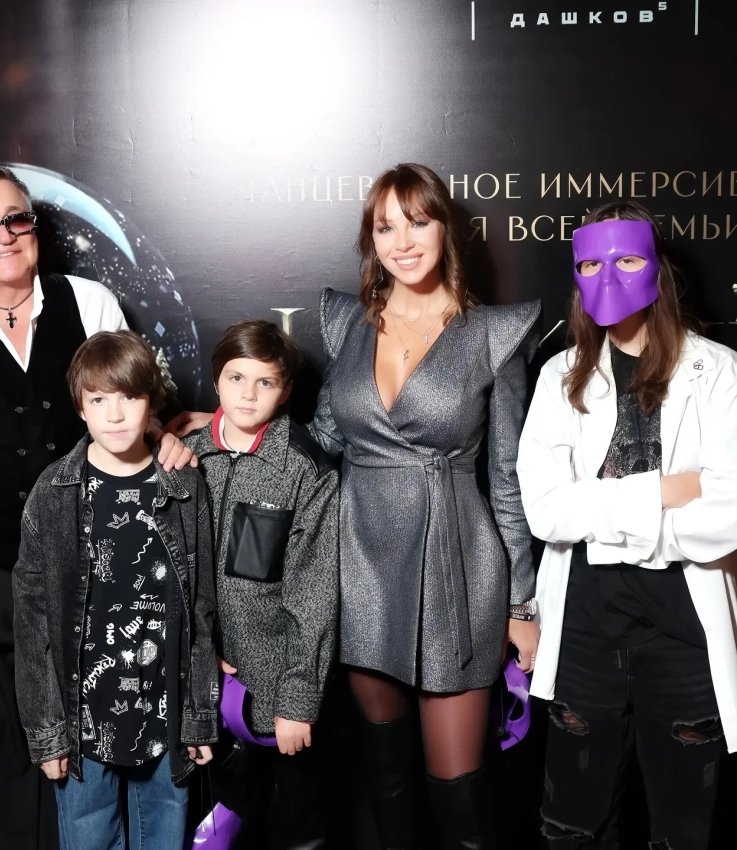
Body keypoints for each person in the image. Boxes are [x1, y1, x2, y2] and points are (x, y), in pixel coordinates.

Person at [174, 163, 541, 849]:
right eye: (385, 227)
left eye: (418, 222)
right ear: (370, 239)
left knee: (459, 790)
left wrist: (521, 604)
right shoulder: (349, 323)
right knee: (385, 781)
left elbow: (508, 478)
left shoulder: (495, 334)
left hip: (458, 569)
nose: (403, 241)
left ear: (446, 229)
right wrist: (217, 431)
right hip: (361, 565)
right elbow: (319, 443)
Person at [0, 165, 193, 850]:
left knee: (85, 743)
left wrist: (165, 437)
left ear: (34, 226)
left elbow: (132, 405)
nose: (2, 235)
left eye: (15, 218)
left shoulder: (90, 302)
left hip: (86, 565)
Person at [518, 201, 737, 850]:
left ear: (657, 267)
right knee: (572, 828)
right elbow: (547, 510)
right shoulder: (559, 377)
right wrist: (669, 490)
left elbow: (729, 512)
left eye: (627, 260)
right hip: (586, 629)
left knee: (683, 832)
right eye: (589, 264)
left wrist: (603, 509)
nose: (607, 277)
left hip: (684, 631)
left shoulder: (719, 372)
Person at [13, 330, 218, 850]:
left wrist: (197, 717)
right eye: (99, 400)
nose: (115, 414)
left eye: (129, 396)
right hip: (83, 719)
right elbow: (33, 622)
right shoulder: (54, 493)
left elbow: (200, 609)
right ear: (80, 407)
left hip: (164, 713)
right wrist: (48, 732)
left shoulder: (184, 485)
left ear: (151, 402)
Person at [183, 320, 339, 850]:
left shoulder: (304, 468)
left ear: (286, 390)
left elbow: (314, 595)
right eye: (236, 378)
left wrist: (297, 700)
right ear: (216, 380)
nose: (248, 394)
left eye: (265, 382)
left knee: (296, 824)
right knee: (213, 826)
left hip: (275, 695)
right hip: (201, 687)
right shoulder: (186, 458)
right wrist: (194, 656)